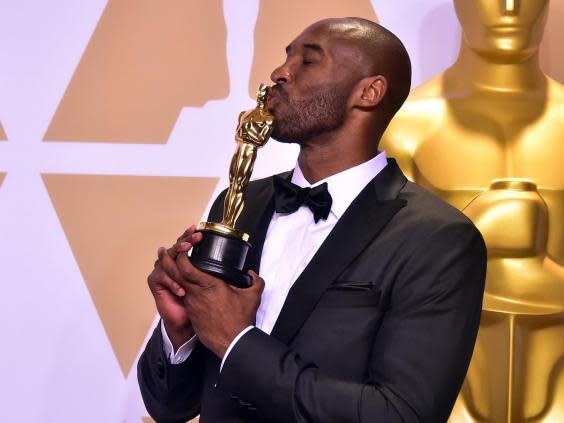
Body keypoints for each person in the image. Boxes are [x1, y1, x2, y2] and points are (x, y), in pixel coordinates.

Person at [138, 17, 486, 423]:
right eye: (287, 56)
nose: (280, 73)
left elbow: (400, 415)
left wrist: (238, 341)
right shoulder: (242, 203)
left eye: (308, 60)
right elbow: (170, 406)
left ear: (369, 92)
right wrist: (180, 333)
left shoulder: (437, 239)